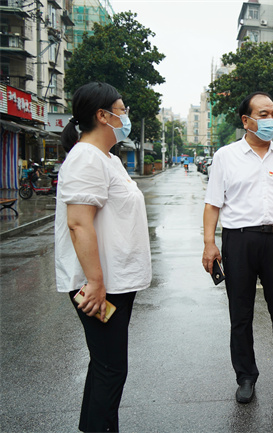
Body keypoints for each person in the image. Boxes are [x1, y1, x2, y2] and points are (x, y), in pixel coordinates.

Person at [202, 91, 273, 404]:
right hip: (238, 241)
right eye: (263, 115)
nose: (271, 120)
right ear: (246, 120)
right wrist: (209, 243)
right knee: (241, 313)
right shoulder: (226, 156)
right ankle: (246, 376)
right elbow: (212, 204)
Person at [55, 82, 151, 432]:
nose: (126, 117)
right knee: (111, 369)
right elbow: (79, 224)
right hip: (99, 285)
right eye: (122, 110)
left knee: (104, 366)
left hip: (115, 282)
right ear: (102, 115)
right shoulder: (86, 158)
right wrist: (95, 282)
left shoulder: (107, 158)